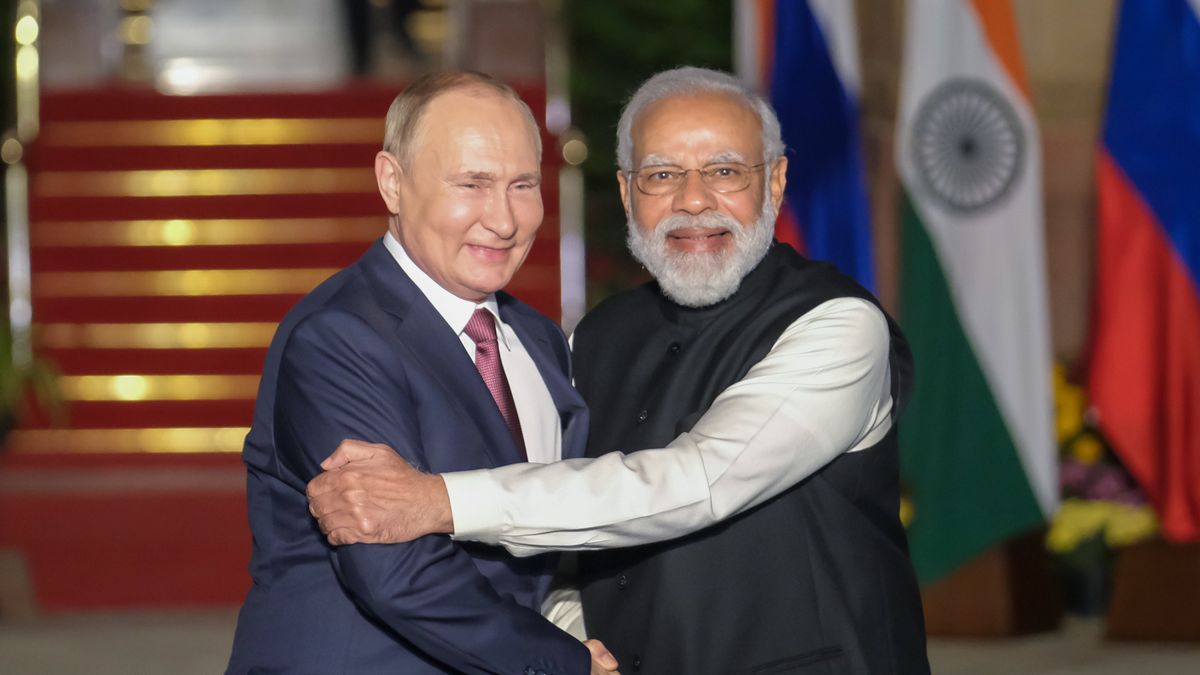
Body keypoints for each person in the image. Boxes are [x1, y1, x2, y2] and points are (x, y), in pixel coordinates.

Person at [307, 67, 930, 674]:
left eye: (724, 171)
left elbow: (696, 482)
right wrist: (573, 642)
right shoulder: (593, 338)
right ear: (629, 193)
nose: (693, 200)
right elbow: (561, 534)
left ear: (774, 183)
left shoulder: (839, 326)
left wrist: (439, 500)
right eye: (662, 175)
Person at [226, 71, 618, 675]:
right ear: (392, 182)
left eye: (522, 185)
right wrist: (564, 663)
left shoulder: (537, 338)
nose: (504, 220)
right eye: (472, 184)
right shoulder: (339, 337)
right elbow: (397, 571)